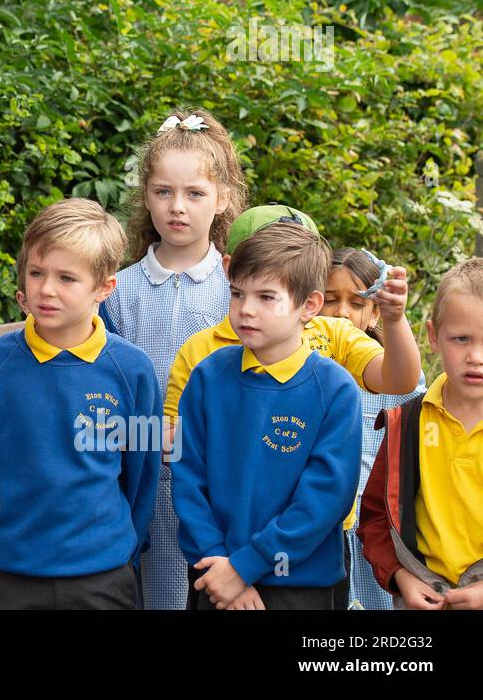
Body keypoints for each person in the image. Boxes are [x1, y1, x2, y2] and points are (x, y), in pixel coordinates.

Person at [0, 198, 161, 609]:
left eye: (67, 277)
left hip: (101, 575)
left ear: (104, 287)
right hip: (11, 573)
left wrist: (122, 550)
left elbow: (142, 473)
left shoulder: (133, 370)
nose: (46, 289)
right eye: (36, 273)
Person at [172, 223, 361, 609]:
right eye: (237, 293)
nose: (246, 309)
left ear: (308, 305)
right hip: (214, 577)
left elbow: (325, 500)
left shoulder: (335, 389)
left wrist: (245, 567)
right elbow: (187, 478)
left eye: (266, 297)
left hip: (300, 587)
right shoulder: (208, 376)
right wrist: (221, 566)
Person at [102, 108, 246, 610]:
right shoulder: (118, 292)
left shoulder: (238, 290)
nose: (177, 207)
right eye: (163, 192)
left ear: (222, 198)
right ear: (146, 196)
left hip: (220, 473)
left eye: (195, 194)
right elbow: (104, 393)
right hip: (144, 477)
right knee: (159, 592)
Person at [165, 205, 422, 422]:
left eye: (268, 296)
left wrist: (394, 318)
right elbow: (172, 438)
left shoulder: (335, 334)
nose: (251, 309)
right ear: (230, 268)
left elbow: (399, 381)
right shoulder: (200, 350)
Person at [358, 257, 483, 609]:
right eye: (461, 338)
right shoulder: (408, 421)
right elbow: (376, 517)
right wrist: (400, 575)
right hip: (424, 598)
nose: (476, 356)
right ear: (433, 336)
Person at [321, 248, 425, 609]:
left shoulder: (392, 373)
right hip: (324, 529)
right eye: (331, 300)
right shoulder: (305, 368)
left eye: (356, 302)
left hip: (377, 534)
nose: (342, 313)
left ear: (375, 311)